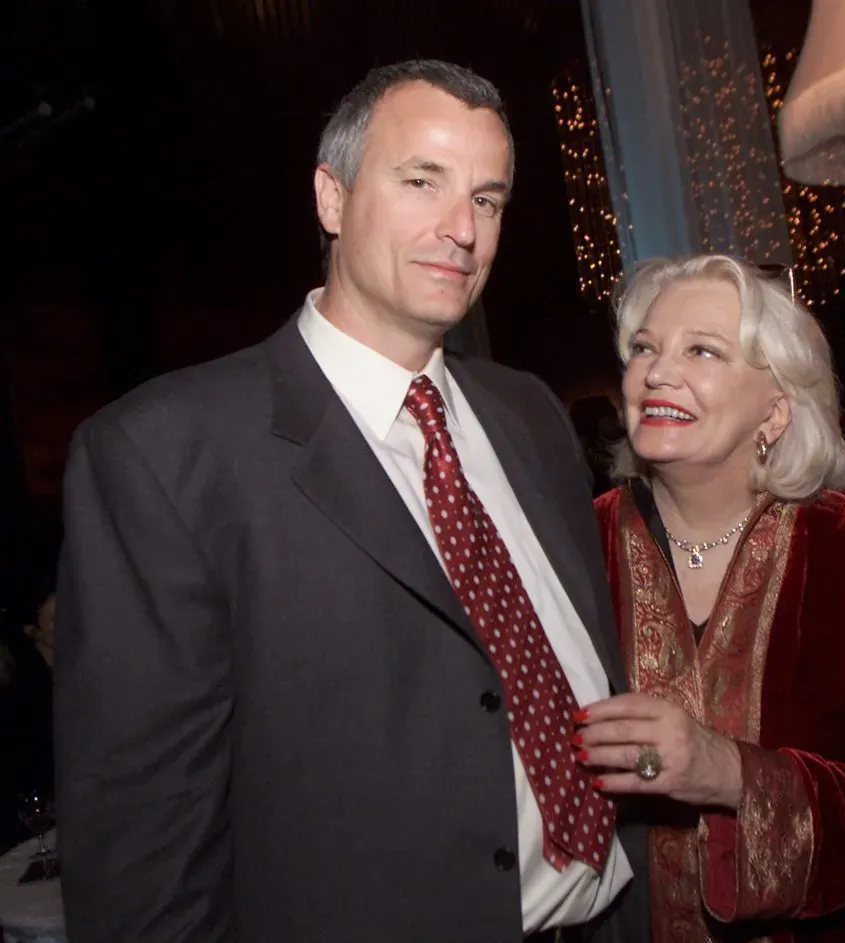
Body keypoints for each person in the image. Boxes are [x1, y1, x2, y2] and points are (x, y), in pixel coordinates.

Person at [54, 60, 646, 943]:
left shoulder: (527, 412)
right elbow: (143, 851)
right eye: (422, 182)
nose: (462, 230)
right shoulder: (165, 453)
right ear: (331, 198)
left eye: (487, 199)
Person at [575, 254, 845, 942]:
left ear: (775, 409)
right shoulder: (573, 544)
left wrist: (733, 774)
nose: (656, 371)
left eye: (702, 350)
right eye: (644, 347)